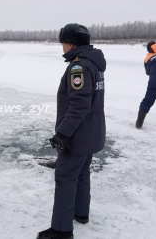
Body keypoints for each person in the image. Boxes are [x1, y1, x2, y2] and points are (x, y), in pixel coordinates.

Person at [37, 23, 106, 239]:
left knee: (65, 178)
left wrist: (63, 133)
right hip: (91, 133)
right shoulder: (93, 63)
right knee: (82, 173)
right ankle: (80, 213)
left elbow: (79, 105)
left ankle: (61, 230)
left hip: (77, 135)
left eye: (63, 43)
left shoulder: (79, 67)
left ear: (71, 43)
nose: (62, 48)